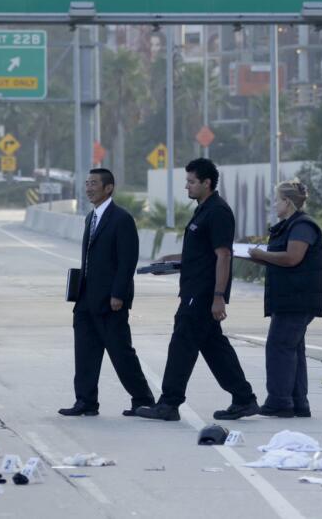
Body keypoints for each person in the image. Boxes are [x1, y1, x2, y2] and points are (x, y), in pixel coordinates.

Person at [136, 158, 258, 422]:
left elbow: (224, 256)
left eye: (192, 182)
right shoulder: (203, 210)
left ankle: (169, 403)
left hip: (202, 294)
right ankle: (244, 399)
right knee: (215, 348)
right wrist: (171, 261)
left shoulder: (218, 212)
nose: (187, 187)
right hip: (195, 290)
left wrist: (218, 297)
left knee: (182, 345)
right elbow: (201, 254)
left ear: (207, 183)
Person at [59, 168, 156, 417]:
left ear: (108, 188)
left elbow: (127, 261)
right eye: (87, 183)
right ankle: (86, 402)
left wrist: (118, 294)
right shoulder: (90, 218)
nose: (89, 188)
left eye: (94, 183)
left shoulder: (121, 219)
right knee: (84, 354)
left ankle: (143, 399)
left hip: (110, 301)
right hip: (85, 299)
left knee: (121, 353)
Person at [248, 180, 322, 418]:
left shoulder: (302, 226)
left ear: (287, 202)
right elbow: (280, 258)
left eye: (276, 200)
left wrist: (263, 254)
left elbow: (292, 258)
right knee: (293, 349)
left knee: (279, 347)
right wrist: (257, 257)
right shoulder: (288, 225)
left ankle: (279, 402)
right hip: (290, 298)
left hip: (297, 299)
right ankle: (297, 402)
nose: (274, 205)